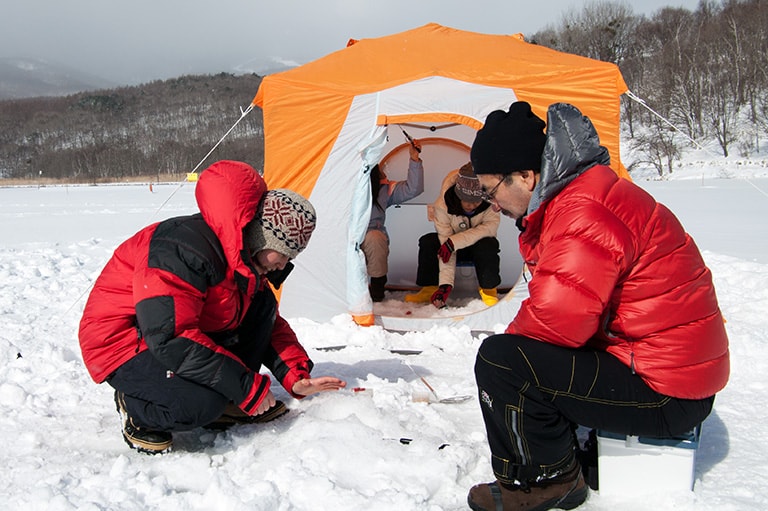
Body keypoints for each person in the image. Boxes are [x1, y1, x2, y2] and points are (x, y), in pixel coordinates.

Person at [465, 102, 730, 511]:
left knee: (504, 363)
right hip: (670, 372)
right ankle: (562, 453)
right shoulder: (584, 194)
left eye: (490, 189)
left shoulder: (583, 211)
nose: (491, 204)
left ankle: (546, 482)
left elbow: (558, 320)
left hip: (668, 391)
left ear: (525, 176)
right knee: (526, 359)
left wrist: (508, 371)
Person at [78, 160, 346, 455]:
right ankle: (137, 410)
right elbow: (171, 337)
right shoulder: (180, 249)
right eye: (283, 253)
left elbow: (269, 327)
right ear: (261, 237)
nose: (284, 264)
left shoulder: (244, 259)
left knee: (262, 306)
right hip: (123, 344)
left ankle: (225, 402)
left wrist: (297, 376)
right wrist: (244, 386)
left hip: (168, 337)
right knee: (198, 404)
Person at [404, 162, 501, 308]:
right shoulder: (442, 206)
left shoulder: (491, 204)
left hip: (476, 249)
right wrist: (445, 286)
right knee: (429, 241)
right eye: (467, 201)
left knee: (488, 244)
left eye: (476, 201)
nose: (472, 206)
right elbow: (445, 249)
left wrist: (453, 242)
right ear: (458, 195)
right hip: (451, 249)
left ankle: (489, 290)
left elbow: (489, 229)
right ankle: (430, 288)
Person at [362, 139, 424, 301]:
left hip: (371, 231)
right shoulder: (344, 186)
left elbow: (413, 189)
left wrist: (414, 159)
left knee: (374, 238)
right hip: (347, 233)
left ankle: (377, 289)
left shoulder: (383, 188)